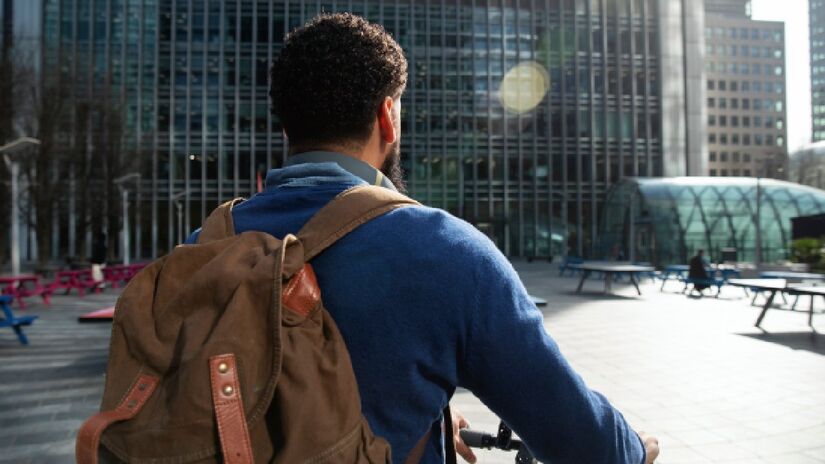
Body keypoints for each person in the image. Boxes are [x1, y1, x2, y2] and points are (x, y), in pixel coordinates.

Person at [189, 14, 658, 464]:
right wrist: (634, 447)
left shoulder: (202, 247)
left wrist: (424, 414)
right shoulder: (448, 253)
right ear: (387, 117)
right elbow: (578, 437)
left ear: (287, 127)